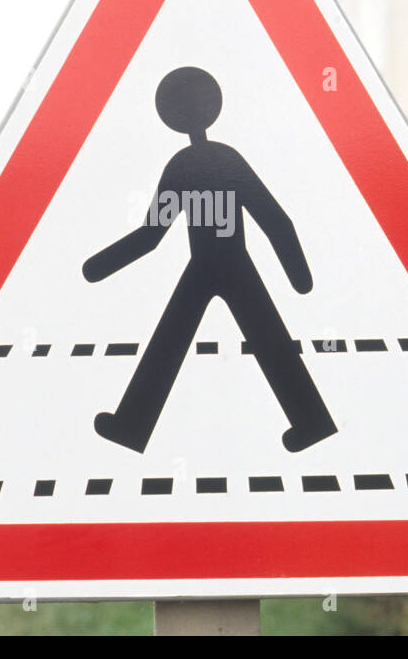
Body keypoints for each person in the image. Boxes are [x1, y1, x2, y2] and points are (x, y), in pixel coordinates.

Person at [83, 66, 338, 453]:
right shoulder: (224, 159)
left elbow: (151, 235)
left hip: (209, 265)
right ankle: (312, 421)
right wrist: (297, 276)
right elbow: (275, 220)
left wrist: (99, 266)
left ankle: (132, 425)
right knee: (261, 340)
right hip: (229, 265)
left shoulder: (182, 166)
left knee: (174, 340)